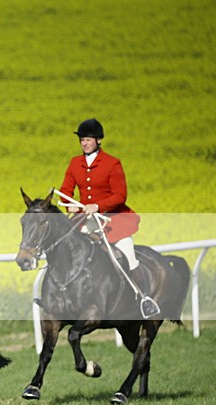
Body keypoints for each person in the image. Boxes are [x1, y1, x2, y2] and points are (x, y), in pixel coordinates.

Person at [60, 118, 159, 317]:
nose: (84, 143)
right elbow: (65, 190)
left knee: (128, 256)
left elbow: (120, 195)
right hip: (84, 222)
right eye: (82, 140)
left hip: (113, 222)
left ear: (98, 140)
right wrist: (68, 202)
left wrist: (97, 206)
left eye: (88, 139)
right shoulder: (74, 163)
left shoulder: (112, 163)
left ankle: (144, 299)